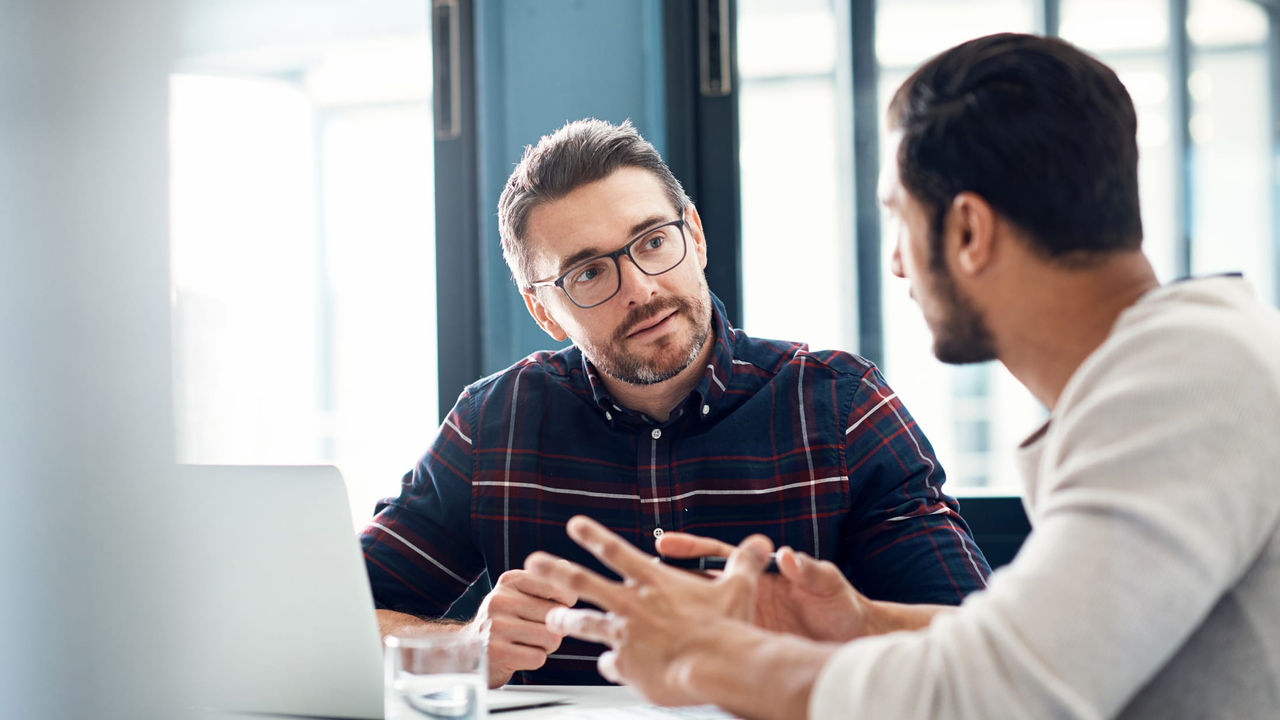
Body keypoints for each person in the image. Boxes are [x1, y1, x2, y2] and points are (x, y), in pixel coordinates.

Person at [525, 33, 1280, 718]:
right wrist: (864, 621)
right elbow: (1046, 644)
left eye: (899, 219)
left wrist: (715, 660)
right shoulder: (1184, 366)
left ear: (968, 232)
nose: (895, 262)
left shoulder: (1182, 385)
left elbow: (993, 696)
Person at [360, 118, 991, 687]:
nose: (640, 287)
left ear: (695, 235)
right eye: (588, 273)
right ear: (542, 310)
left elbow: (977, 648)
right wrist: (462, 647)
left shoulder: (842, 406)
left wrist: (844, 627)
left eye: (654, 241)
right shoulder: (491, 426)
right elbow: (337, 621)